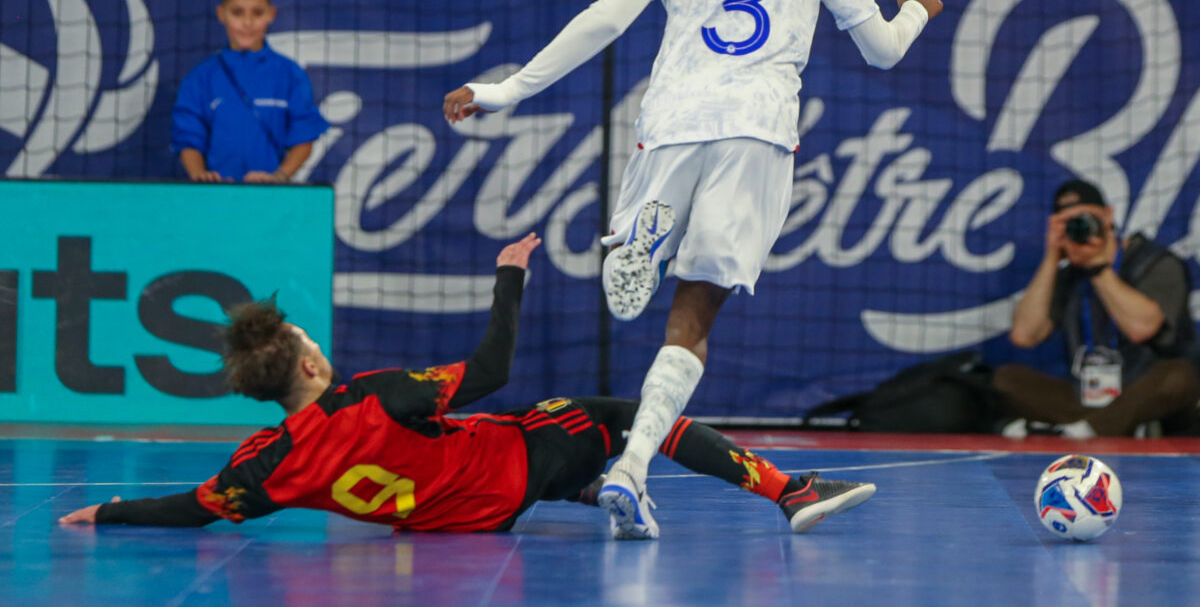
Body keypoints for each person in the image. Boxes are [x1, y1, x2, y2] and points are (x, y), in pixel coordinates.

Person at [443, 0, 940, 537]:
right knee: (696, 312)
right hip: (758, 129)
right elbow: (883, 51)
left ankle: (634, 257)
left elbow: (607, 18)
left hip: (673, 119)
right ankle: (631, 466)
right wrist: (916, 11)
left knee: (645, 284)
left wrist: (507, 89)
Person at [59, 233, 875, 538]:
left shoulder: (264, 462)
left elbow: (195, 508)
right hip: (510, 473)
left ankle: (594, 491)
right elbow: (490, 373)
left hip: (451, 524)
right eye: (310, 338)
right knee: (624, 413)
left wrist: (110, 511)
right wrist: (509, 276)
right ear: (307, 366)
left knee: (523, 441)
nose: (317, 343)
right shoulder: (372, 395)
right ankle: (787, 490)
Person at [999, 179, 1200, 438]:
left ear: (1108, 216)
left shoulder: (1155, 262)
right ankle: (1101, 427)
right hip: (1087, 394)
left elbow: (1143, 329)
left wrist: (1098, 269)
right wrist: (1052, 256)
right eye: (1069, 223)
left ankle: (1076, 430)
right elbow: (1024, 335)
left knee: (1179, 376)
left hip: (1144, 391)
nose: (1080, 228)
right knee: (1006, 379)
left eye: (1086, 219)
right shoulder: (1069, 273)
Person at [171, 0, 328, 183]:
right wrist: (200, 176)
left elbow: (304, 137)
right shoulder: (201, 78)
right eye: (237, 12)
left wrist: (279, 177)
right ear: (221, 14)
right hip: (216, 198)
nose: (247, 23)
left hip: (271, 199)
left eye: (257, 13)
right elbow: (188, 137)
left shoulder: (290, 74)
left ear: (271, 14)